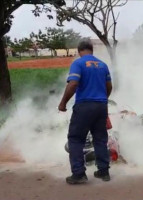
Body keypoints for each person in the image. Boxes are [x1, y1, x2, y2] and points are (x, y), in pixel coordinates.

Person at [58, 40, 113, 184]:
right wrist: (102, 99)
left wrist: (63, 102)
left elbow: (73, 83)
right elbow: (109, 86)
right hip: (101, 106)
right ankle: (103, 171)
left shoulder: (79, 63)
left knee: (76, 139)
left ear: (79, 50)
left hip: (84, 106)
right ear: (92, 50)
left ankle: (79, 174)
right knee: (100, 138)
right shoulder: (103, 65)